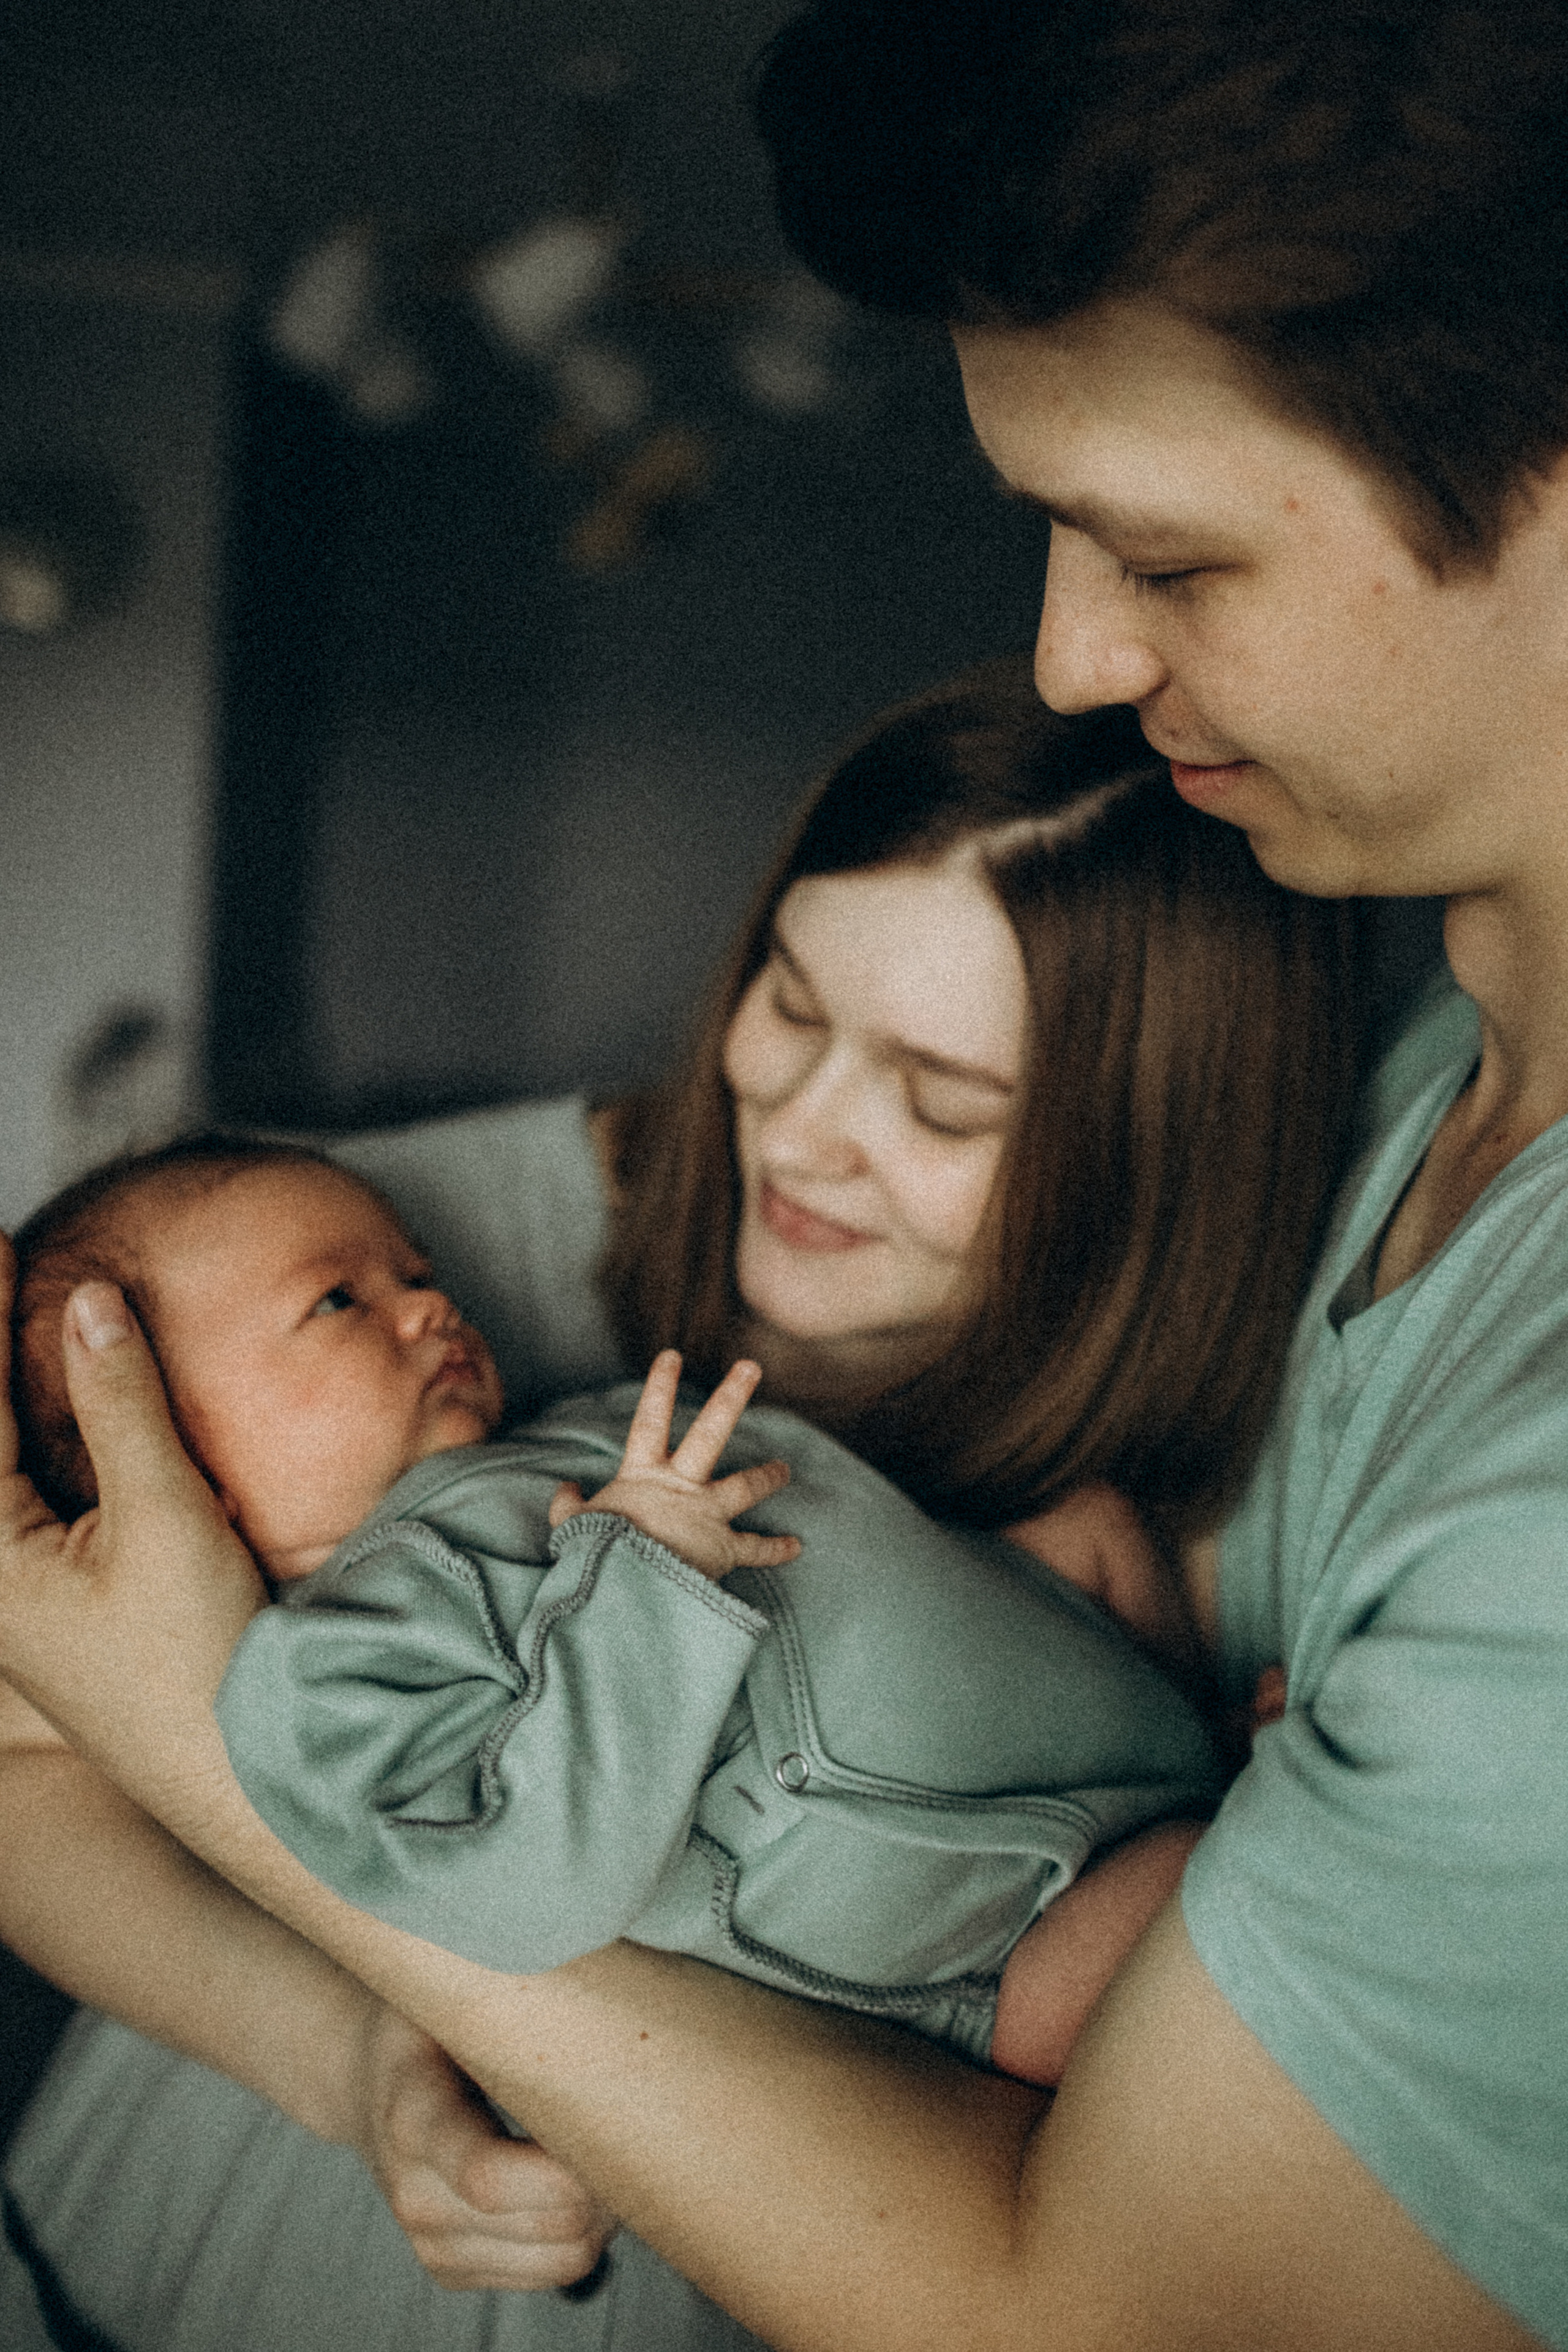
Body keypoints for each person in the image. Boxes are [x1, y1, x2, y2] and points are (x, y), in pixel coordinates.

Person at [0, 665, 1357, 2352]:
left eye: (940, 1098)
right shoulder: (471, 1241)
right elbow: (30, 1745)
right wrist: (354, 2059)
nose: (799, 1133)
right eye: (790, 1001)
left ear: (1140, 1153)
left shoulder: (1207, 1480)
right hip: (216, 2211)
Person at [10, 1134, 1220, 2060]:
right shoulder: (332, 1667)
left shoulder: (553, 1431)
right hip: (1003, 1901)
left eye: (413, 1271)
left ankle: (1204, 1740)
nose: (428, 1304)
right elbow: (523, 1887)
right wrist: (640, 1577)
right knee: (1164, 1938)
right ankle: (1232, 1808)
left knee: (1096, 1522)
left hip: (1060, 1681)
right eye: (338, 1300)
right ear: (167, 1464)